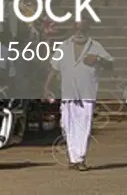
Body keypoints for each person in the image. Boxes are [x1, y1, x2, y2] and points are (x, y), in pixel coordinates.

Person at [51, 21, 113, 171]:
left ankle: (79, 159)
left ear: (88, 29)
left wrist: (98, 59)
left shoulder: (96, 47)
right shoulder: (63, 46)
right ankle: (74, 158)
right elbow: (54, 68)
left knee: (83, 126)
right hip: (68, 93)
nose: (79, 32)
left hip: (87, 93)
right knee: (66, 126)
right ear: (73, 29)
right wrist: (47, 86)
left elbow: (111, 65)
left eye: (82, 28)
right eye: (77, 28)